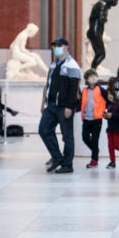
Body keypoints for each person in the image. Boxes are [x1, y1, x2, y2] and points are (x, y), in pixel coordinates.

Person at [39, 38, 81, 174]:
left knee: (67, 136)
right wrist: (43, 102)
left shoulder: (72, 65)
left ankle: (68, 164)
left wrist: (70, 107)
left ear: (66, 47)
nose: (56, 48)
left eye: (59, 45)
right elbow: (48, 84)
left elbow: (74, 88)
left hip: (64, 106)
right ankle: (57, 157)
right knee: (43, 129)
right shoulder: (53, 64)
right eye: (54, 45)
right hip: (51, 105)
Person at [81, 69, 108, 169]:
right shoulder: (84, 91)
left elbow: (108, 99)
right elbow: (81, 103)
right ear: (87, 79)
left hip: (97, 119)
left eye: (95, 76)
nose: (93, 78)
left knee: (95, 139)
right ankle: (95, 150)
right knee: (85, 137)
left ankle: (94, 160)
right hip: (86, 118)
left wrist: (107, 110)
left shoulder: (101, 89)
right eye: (90, 76)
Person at [86, 0, 119, 70]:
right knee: (101, 54)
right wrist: (105, 17)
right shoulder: (102, 6)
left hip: (93, 32)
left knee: (98, 53)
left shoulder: (98, 5)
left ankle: (93, 68)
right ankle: (93, 69)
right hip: (95, 32)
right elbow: (102, 19)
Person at [104, 78, 119, 169]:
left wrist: (112, 115)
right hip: (110, 128)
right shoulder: (109, 103)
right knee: (110, 146)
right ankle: (112, 162)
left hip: (118, 129)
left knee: (116, 145)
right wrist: (105, 115)